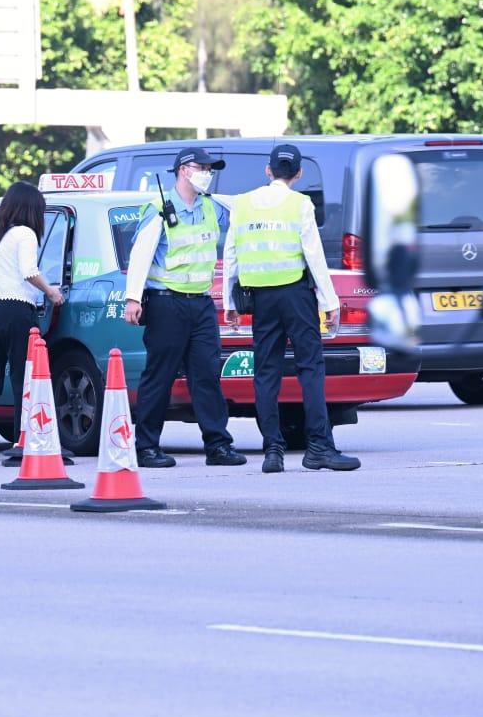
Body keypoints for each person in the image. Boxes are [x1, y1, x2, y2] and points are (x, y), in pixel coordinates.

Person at [223, 143, 360, 474]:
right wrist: (329, 303)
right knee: (310, 368)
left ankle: (272, 449)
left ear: (268, 170)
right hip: (296, 295)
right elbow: (313, 255)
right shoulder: (300, 204)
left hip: (260, 300)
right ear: (298, 173)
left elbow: (232, 255)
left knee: (266, 373)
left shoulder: (241, 204)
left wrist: (229, 301)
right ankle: (319, 448)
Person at [124, 148, 247, 469]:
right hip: (167, 303)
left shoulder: (211, 207)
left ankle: (218, 445)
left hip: (201, 304)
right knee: (159, 376)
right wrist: (133, 297)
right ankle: (147, 447)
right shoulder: (159, 209)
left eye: (210, 168)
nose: (207, 172)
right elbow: (141, 253)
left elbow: (247, 207)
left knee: (206, 375)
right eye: (201, 167)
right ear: (182, 170)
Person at [0, 182, 64, 462]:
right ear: (31, 209)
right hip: (15, 308)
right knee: (22, 375)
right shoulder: (25, 234)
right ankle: (22, 440)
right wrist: (51, 292)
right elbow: (29, 272)